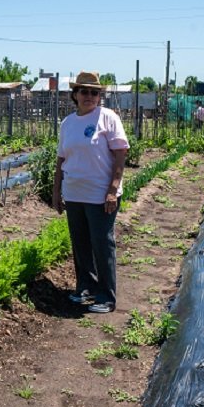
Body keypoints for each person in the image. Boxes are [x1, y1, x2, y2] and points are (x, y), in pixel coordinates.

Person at [53, 71, 129, 313]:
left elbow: (120, 154)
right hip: (74, 194)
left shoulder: (108, 118)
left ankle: (106, 296)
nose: (89, 96)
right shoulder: (67, 123)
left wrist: (113, 189)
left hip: (100, 195)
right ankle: (85, 287)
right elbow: (61, 160)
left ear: (100, 96)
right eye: (84, 91)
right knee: (80, 244)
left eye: (94, 92)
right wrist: (56, 192)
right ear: (74, 95)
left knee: (102, 244)